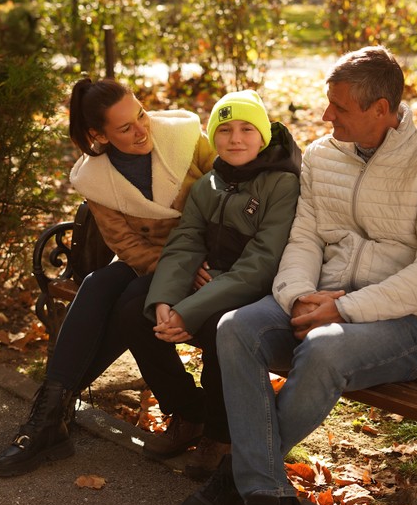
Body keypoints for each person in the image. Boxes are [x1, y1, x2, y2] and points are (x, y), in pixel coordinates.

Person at [172, 45, 417, 505]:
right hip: (317, 303)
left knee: (325, 348)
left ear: (381, 109)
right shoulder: (322, 154)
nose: (327, 114)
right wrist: (296, 296)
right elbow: (305, 236)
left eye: (340, 107)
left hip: (401, 323)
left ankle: (241, 480)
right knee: (235, 328)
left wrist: (346, 308)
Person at [0, 77, 215, 477]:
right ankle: (49, 416)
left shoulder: (184, 136)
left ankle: (53, 416)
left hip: (208, 257)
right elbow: (126, 245)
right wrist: (175, 267)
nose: (142, 130)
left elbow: (232, 189)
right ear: (100, 135)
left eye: (141, 115)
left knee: (131, 306)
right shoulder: (95, 177)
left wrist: (200, 260)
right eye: (125, 128)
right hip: (155, 261)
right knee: (98, 283)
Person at [119, 89, 301, 479]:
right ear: (213, 135)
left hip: (256, 293)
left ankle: (220, 435)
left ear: (263, 135)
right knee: (136, 308)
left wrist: (189, 310)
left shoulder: (281, 184)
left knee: (222, 327)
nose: (235, 139)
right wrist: (166, 300)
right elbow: (185, 242)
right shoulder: (208, 184)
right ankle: (189, 412)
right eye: (225, 129)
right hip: (211, 283)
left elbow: (261, 263)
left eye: (247, 129)